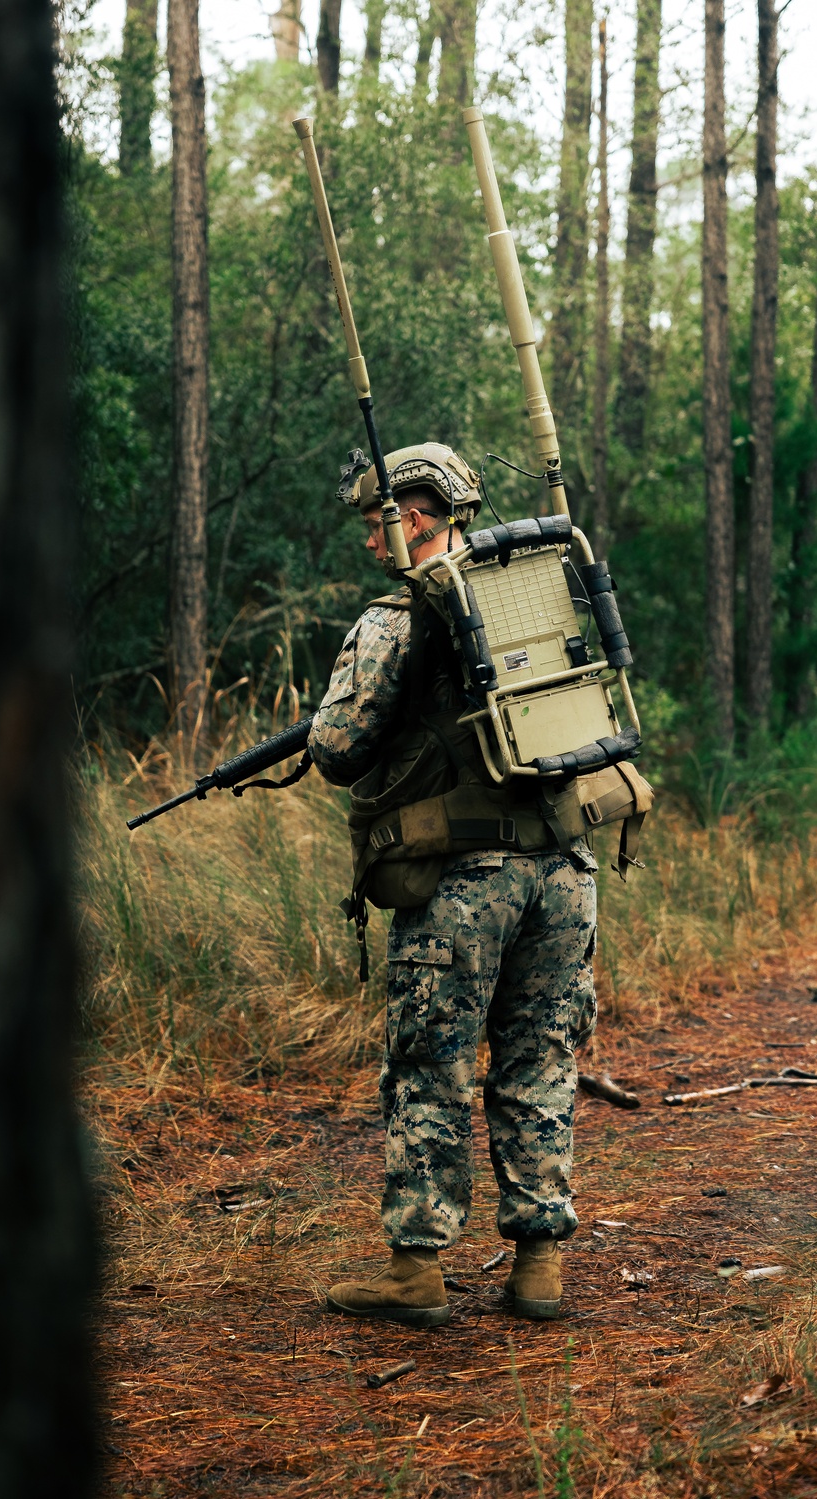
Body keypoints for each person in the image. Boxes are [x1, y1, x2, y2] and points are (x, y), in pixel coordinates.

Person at [308, 442, 598, 1327]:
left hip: (466, 880)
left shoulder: (397, 620)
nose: (371, 542)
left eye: (377, 522)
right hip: (567, 870)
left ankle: (417, 1271)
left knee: (430, 1064)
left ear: (419, 516)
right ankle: (538, 1265)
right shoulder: (541, 593)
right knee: (538, 1057)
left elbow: (335, 747)